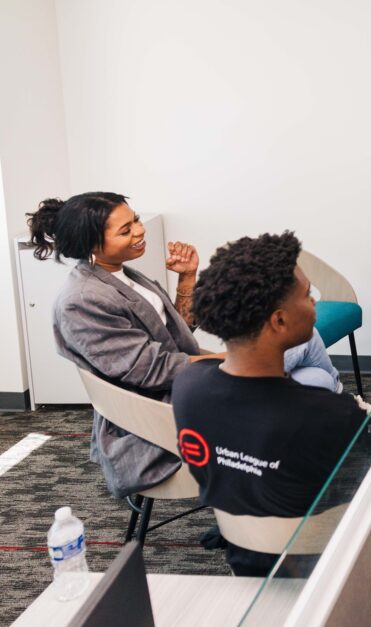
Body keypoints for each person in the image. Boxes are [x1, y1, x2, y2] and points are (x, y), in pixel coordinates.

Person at [171, 232, 371, 627]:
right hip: (331, 561)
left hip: (248, 555)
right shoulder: (330, 415)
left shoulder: (188, 386)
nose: (315, 303)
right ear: (277, 320)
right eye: (308, 296)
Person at [26, 192, 343, 498]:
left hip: (186, 385)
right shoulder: (82, 300)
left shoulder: (122, 274)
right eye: (126, 229)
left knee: (315, 381)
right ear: (92, 243)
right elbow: (153, 370)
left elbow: (172, 334)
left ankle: (264, 495)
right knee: (304, 343)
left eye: (136, 220)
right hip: (160, 413)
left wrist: (187, 278)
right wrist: (230, 358)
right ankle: (339, 418)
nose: (139, 231)